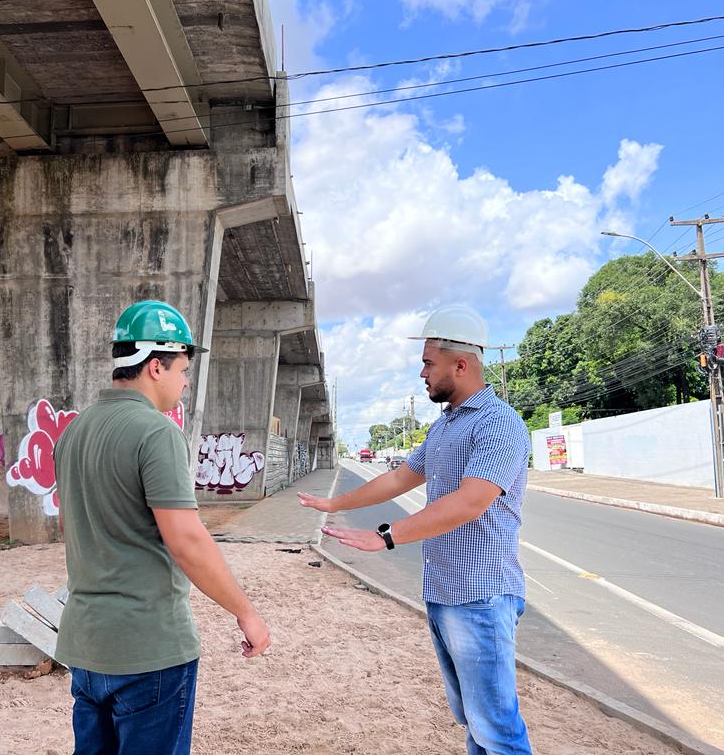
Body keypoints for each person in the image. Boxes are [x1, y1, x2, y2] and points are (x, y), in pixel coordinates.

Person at [299, 305, 533, 755]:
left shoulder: (499, 423)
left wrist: (386, 536)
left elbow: (470, 502)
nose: (421, 373)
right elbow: (399, 478)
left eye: (428, 362)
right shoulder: (446, 425)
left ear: (460, 365)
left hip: (480, 595)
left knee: (497, 729)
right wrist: (334, 503)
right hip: (445, 591)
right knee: (475, 721)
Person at [54, 299, 271, 755]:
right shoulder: (156, 432)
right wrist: (246, 611)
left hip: (86, 644)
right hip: (147, 648)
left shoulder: (74, 432)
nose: (186, 381)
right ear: (156, 366)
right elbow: (187, 539)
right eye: (183, 369)